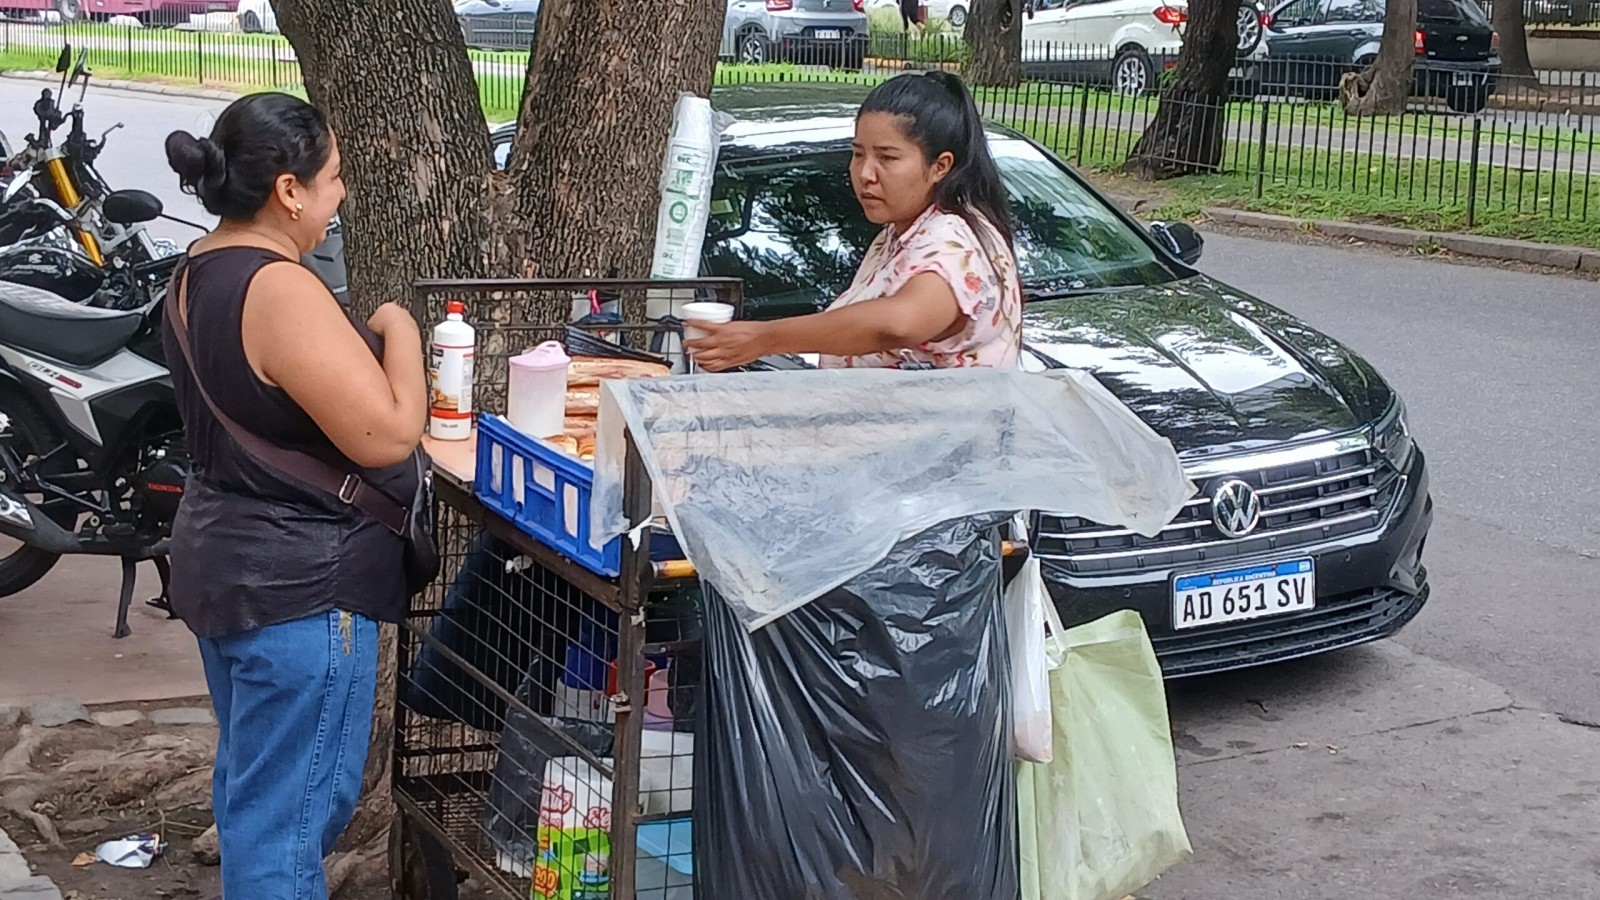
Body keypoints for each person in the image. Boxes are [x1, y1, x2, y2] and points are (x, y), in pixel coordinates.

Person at [161, 92, 427, 900]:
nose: (340, 194)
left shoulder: (196, 268)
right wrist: (403, 329)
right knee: (287, 823)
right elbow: (387, 435)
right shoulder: (278, 287)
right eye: (334, 178)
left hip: (228, 565)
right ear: (288, 190)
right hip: (300, 587)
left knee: (258, 799)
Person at [685, 71, 1022, 373]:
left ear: (941, 166)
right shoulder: (900, 233)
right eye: (858, 154)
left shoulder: (953, 241)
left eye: (887, 158)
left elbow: (899, 324)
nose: (865, 174)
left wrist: (765, 338)